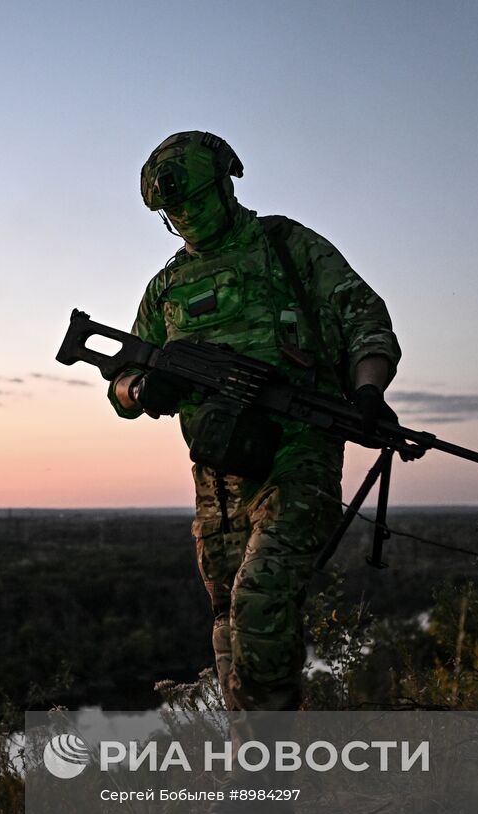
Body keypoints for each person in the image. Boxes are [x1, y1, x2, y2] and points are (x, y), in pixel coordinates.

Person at [109, 131, 401, 715]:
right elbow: (119, 383)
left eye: (194, 198)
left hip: (298, 456)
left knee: (261, 597)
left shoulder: (286, 247)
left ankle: (264, 783)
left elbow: (364, 320)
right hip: (216, 480)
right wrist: (144, 388)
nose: (185, 214)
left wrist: (368, 391)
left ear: (226, 182)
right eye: (172, 210)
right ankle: (259, 787)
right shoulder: (165, 288)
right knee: (228, 620)